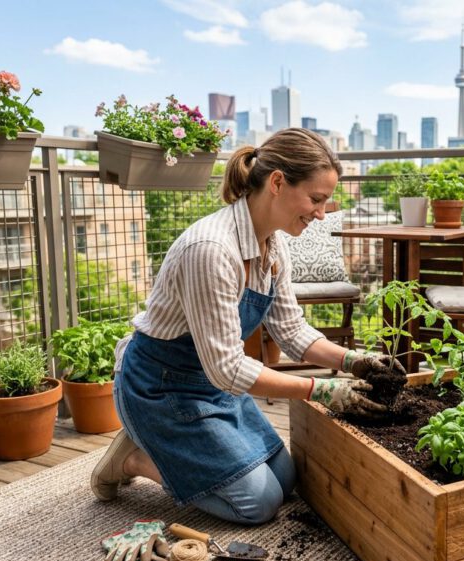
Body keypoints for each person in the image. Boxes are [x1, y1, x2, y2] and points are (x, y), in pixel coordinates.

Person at [91, 128, 401, 524]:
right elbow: (227, 369)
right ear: (277, 183)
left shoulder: (273, 244)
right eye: (316, 199)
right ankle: (133, 458)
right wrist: (320, 389)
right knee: (258, 502)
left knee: (285, 478)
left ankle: (175, 454)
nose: (322, 213)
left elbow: (291, 331)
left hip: (213, 385)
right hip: (160, 389)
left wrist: (354, 361)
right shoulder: (211, 250)